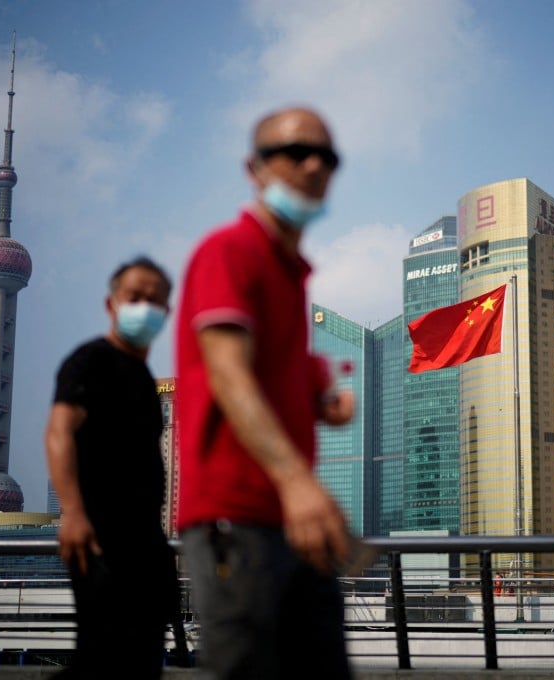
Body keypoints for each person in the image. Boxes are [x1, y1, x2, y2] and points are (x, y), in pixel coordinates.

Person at [175, 106, 356, 679]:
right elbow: (228, 374)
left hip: (294, 524)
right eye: (294, 151)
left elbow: (271, 372)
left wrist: (321, 400)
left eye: (326, 156)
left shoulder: (291, 273)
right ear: (254, 168)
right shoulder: (228, 251)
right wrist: (298, 481)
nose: (312, 165)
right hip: (237, 521)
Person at [45, 256, 180, 678]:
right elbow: (59, 431)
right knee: (102, 659)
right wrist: (74, 512)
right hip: (101, 539)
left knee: (142, 661)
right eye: (134, 296)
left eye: (155, 300)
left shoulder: (144, 377)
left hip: (147, 543)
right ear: (111, 304)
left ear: (167, 313)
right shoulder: (90, 361)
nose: (145, 306)